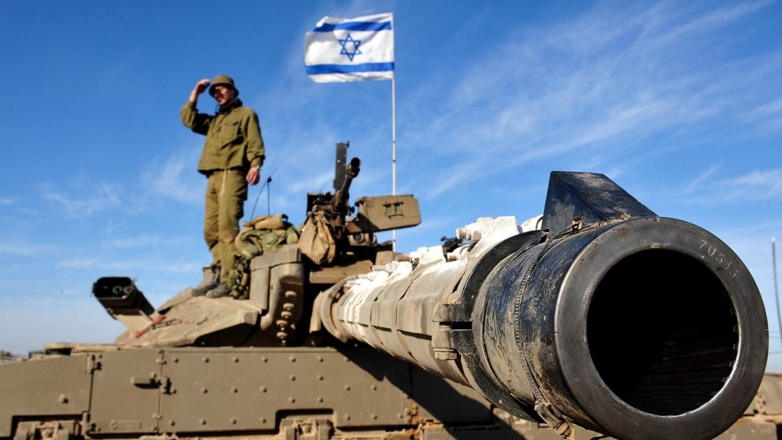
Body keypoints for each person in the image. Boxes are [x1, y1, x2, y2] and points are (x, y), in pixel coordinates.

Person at [181, 75, 265, 298]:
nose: (218, 93)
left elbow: (254, 141)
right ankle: (218, 273)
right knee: (210, 229)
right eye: (214, 91)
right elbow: (189, 120)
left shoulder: (245, 114)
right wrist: (195, 94)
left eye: (222, 89)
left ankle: (230, 279)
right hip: (213, 176)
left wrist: (255, 165)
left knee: (227, 226)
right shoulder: (214, 122)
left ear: (233, 91)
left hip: (233, 172)